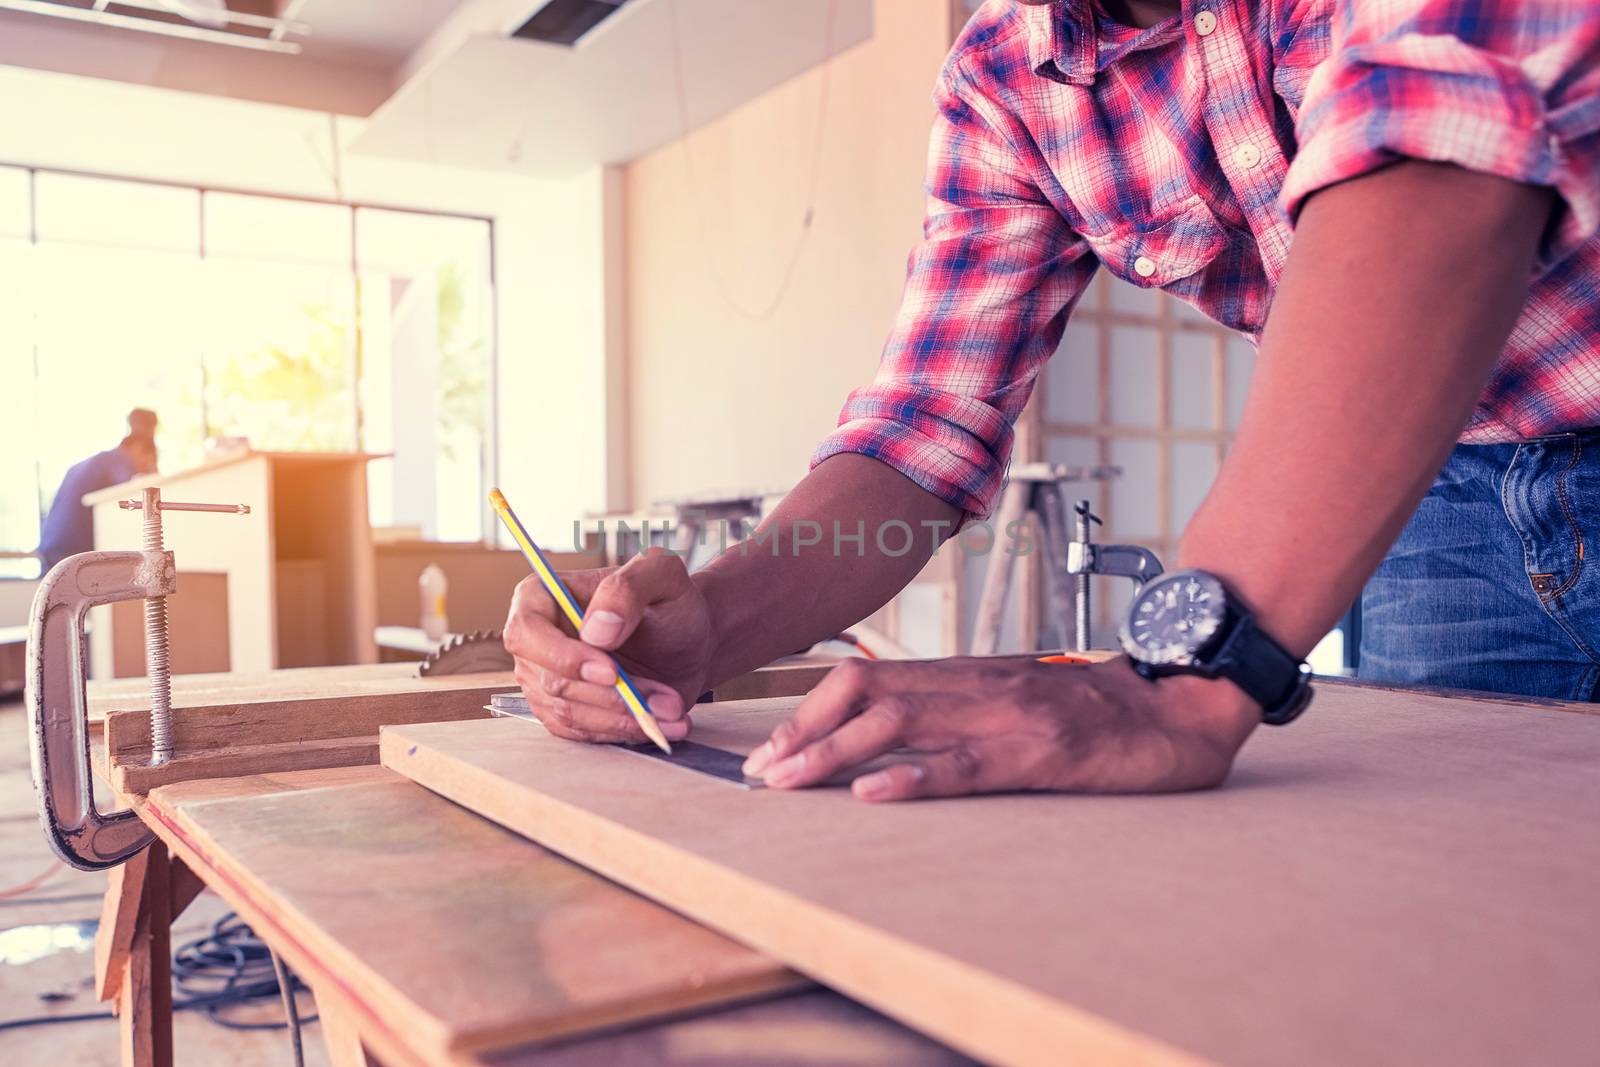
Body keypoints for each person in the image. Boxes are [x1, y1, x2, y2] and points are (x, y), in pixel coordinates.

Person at [506, 0, 1599, 800]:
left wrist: (1183, 673)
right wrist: (716, 621)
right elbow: (924, 428)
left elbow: (1437, 153)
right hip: (1441, 508)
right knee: (1476, 890)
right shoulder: (1000, 76)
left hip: (1447, 455)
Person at [37, 409, 159, 571]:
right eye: (145, 459)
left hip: (51, 546)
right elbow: (134, 490)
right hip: (71, 551)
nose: (142, 467)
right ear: (137, 449)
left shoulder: (96, 461)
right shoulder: (120, 460)